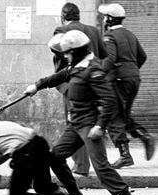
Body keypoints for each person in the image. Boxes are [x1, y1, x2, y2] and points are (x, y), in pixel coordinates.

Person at [24, 30, 144, 195]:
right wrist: (37, 86)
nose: (65, 55)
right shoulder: (77, 66)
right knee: (55, 157)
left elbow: (110, 100)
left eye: (68, 52)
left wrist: (100, 125)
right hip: (75, 125)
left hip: (89, 126)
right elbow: (59, 76)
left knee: (102, 169)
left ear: (78, 51)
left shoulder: (93, 70)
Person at [53, 2, 108, 177]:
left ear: (63, 15)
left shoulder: (60, 31)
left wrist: (63, 86)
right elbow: (105, 57)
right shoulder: (93, 30)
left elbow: (59, 62)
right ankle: (97, 165)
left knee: (75, 123)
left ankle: (81, 166)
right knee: (91, 123)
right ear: (78, 15)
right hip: (94, 85)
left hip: (73, 85)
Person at [98, 3, 155, 169]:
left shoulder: (109, 36)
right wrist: (131, 70)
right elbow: (142, 56)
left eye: (104, 17)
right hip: (133, 79)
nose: (103, 20)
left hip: (118, 80)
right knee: (124, 114)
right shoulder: (130, 34)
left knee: (115, 116)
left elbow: (109, 59)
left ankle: (125, 155)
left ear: (109, 19)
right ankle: (144, 136)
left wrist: (98, 76)